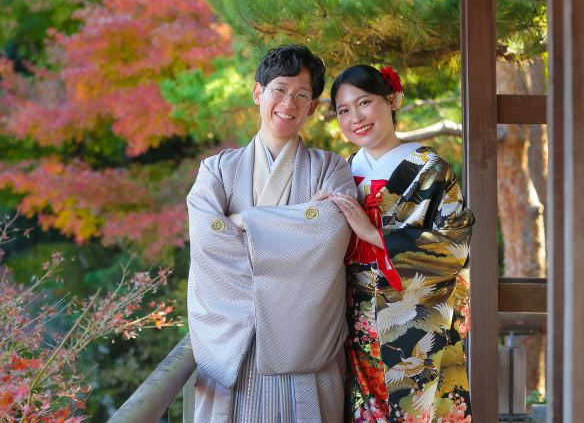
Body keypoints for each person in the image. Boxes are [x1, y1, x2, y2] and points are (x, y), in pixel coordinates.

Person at [187, 44, 358, 423]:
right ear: (257, 93)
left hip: (306, 345)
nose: (288, 103)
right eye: (279, 90)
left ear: (312, 107)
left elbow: (330, 229)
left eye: (302, 95)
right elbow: (206, 237)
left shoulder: (331, 169)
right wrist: (298, 224)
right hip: (237, 347)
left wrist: (244, 220)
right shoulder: (216, 170)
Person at [326, 65, 474, 423]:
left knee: (415, 411)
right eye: (344, 110)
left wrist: (375, 236)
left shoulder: (429, 168)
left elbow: (454, 244)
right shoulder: (342, 171)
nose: (355, 118)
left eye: (365, 102)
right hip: (351, 319)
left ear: (391, 101)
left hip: (414, 319)